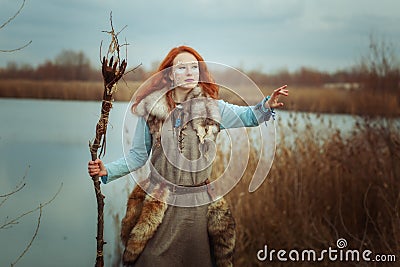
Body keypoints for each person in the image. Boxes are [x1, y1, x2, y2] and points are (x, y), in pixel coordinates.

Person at [88, 45, 288, 267]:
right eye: (182, 68)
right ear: (170, 74)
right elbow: (137, 156)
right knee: (151, 260)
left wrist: (267, 105)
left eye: (195, 67)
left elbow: (250, 117)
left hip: (197, 206)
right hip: (160, 202)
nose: (191, 72)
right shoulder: (153, 110)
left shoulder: (213, 109)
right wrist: (107, 170)